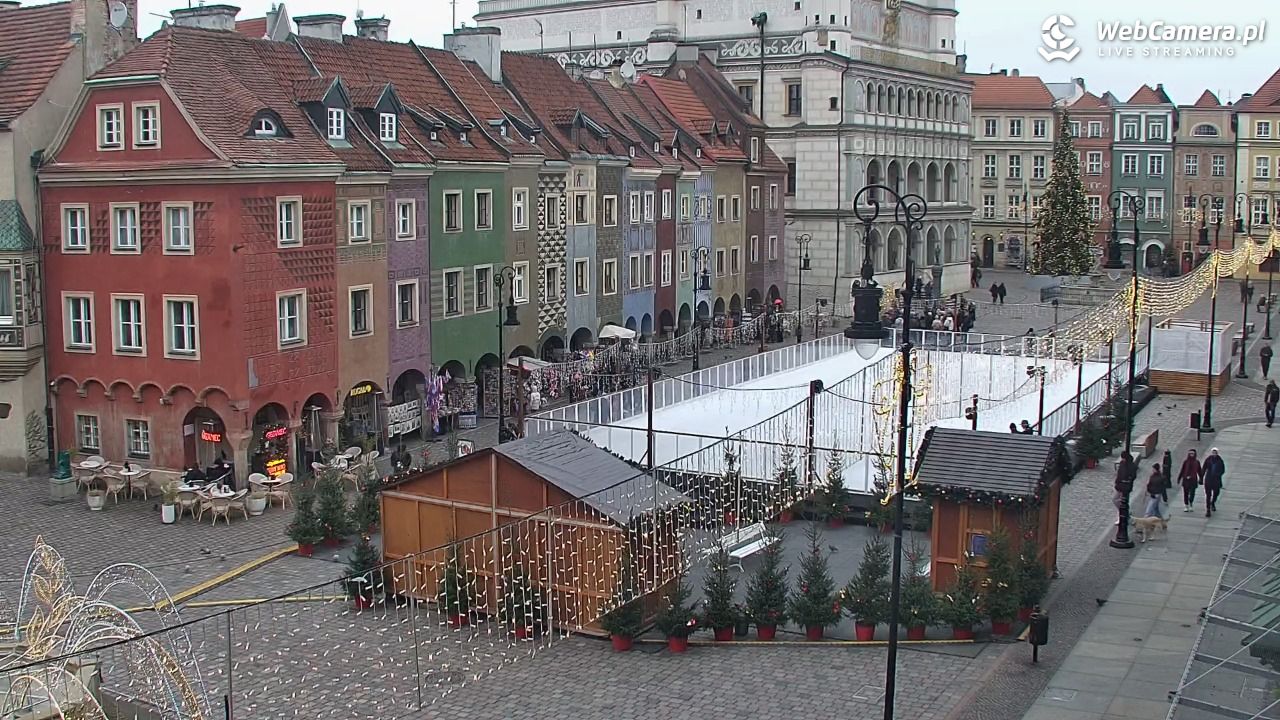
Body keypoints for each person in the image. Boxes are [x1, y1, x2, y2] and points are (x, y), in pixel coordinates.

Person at [1114, 450, 1137, 524]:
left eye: (1123, 458)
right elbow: (1119, 474)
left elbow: (1133, 476)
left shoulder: (1131, 465)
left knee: (1123, 502)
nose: (1122, 459)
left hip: (1126, 486)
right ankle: (1124, 514)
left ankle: (1122, 516)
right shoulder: (1122, 464)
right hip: (1120, 485)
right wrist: (1117, 482)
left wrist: (1128, 480)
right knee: (1115, 500)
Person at [1202, 447, 1226, 517]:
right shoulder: (1208, 460)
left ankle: (1213, 503)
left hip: (1216, 480)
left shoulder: (1220, 460)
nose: (1214, 454)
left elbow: (1222, 470)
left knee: (1216, 493)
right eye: (1213, 452)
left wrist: (1218, 474)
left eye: (1215, 453)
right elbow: (1204, 468)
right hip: (1208, 479)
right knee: (1208, 495)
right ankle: (1208, 509)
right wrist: (1201, 477)